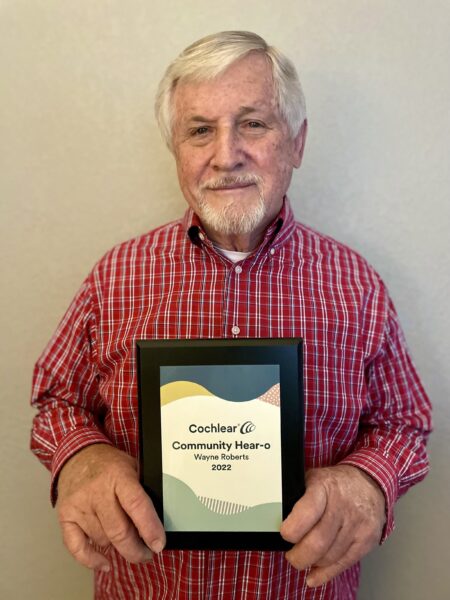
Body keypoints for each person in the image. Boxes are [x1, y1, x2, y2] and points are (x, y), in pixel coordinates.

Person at [30, 31, 432, 599]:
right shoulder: (115, 276)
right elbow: (56, 400)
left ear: (296, 142)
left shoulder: (356, 285)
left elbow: (405, 423)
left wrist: (367, 483)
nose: (226, 154)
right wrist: (83, 460)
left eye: (253, 124)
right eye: (200, 130)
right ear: (176, 148)